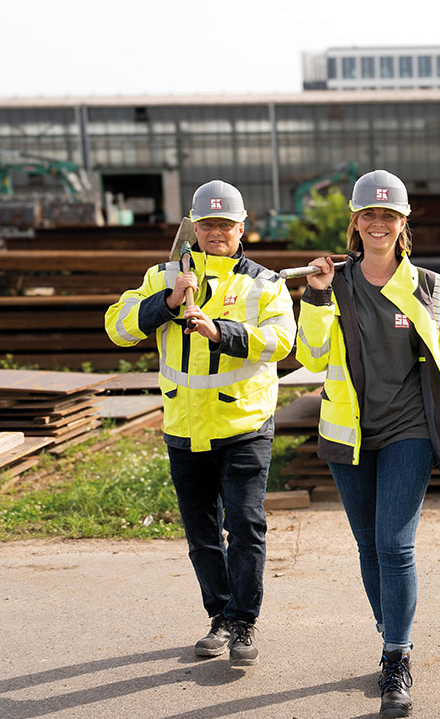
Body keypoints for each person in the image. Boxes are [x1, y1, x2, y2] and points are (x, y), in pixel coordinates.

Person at [294, 169, 440, 718]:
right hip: (350, 433)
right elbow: (311, 358)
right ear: (355, 221)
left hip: (409, 431)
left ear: (403, 222)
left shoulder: (432, 288)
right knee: (368, 544)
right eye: (369, 214)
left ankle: (397, 655)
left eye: (388, 214)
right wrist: (316, 296)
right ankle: (390, 626)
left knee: (395, 544)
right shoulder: (334, 284)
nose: (379, 223)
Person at [104, 180, 295, 666]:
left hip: (245, 424)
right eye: (207, 225)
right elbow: (118, 327)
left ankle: (245, 622)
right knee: (202, 532)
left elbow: (281, 340)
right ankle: (221, 616)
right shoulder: (162, 276)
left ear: (242, 228)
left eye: (225, 225)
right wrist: (167, 303)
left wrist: (221, 331)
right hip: (184, 427)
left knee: (246, 526)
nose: (216, 233)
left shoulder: (265, 282)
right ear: (194, 227)